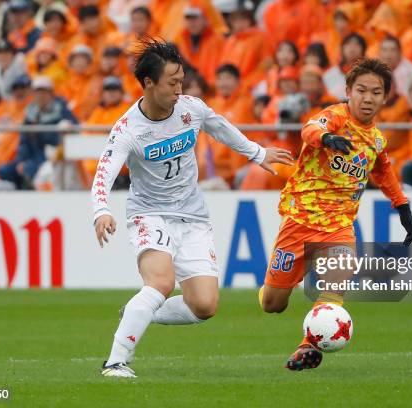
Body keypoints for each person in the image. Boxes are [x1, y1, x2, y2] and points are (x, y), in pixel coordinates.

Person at [95, 39, 293, 378]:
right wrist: (101, 209)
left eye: (181, 80)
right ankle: (115, 361)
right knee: (160, 283)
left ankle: (138, 309)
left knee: (204, 305)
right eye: (172, 82)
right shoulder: (128, 129)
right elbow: (105, 169)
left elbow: (220, 127)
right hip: (150, 213)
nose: (178, 88)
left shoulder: (191, 108)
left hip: (193, 216)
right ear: (148, 83)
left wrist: (258, 154)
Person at [258, 58, 412, 371]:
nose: (368, 98)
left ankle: (309, 346)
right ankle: (287, 279)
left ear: (385, 97)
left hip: (339, 227)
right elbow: (310, 128)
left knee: (338, 278)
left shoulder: (377, 139)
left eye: (376, 92)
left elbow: (383, 170)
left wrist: (401, 205)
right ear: (348, 91)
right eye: (361, 90)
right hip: (300, 220)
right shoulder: (335, 116)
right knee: (272, 304)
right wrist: (327, 138)